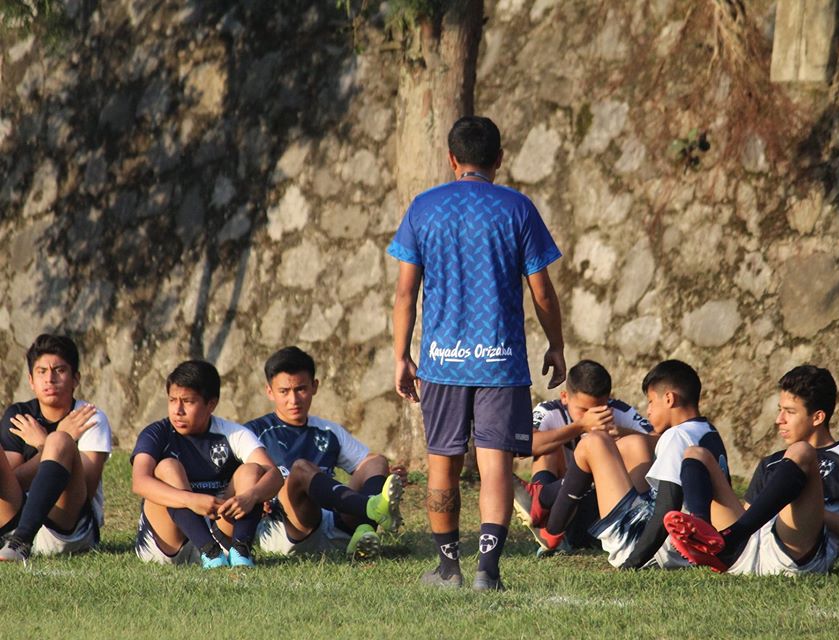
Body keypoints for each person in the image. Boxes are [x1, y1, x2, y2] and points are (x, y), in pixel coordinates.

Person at [389, 115, 566, 590]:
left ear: (452, 158)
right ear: (499, 158)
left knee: (443, 463)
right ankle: (488, 569)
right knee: (495, 464)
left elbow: (406, 293)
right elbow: (542, 292)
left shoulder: (424, 208)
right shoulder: (517, 208)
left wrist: (402, 356)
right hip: (501, 361)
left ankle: (449, 568)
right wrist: (556, 345)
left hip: (441, 363)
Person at [665, 365, 839, 575]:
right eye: (780, 410)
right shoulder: (771, 462)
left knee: (802, 452)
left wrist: (815, 513)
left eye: (789, 412)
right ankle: (702, 532)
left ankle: (729, 540)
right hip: (749, 548)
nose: (779, 420)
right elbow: (749, 515)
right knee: (696, 453)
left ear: (818, 417)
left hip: (797, 552)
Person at [537, 359, 727, 569]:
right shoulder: (708, 431)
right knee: (634, 443)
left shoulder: (677, 436)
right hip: (680, 544)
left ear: (669, 399)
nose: (648, 411)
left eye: (651, 402)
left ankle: (551, 531)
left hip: (653, 547)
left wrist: (633, 562)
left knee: (593, 443)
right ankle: (545, 507)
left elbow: (666, 507)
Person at [245, 346, 404, 561]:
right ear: (270, 392)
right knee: (301, 469)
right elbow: (236, 481)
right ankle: (371, 509)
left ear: (314, 386)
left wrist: (385, 477)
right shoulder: (252, 432)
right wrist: (256, 496)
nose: (294, 399)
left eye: (301, 389)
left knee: (376, 461)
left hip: (335, 525)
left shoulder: (329, 431)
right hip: (290, 528)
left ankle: (364, 531)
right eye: (284, 391)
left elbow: (366, 466)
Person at [130, 360, 282, 568]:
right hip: (169, 543)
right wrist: (190, 500)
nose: (178, 410)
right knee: (168, 467)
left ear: (211, 404)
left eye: (188, 401)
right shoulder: (157, 433)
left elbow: (275, 476)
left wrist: (251, 497)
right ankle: (209, 552)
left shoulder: (233, 433)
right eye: (173, 400)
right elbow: (139, 482)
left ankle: (240, 550)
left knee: (253, 471)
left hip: (219, 533)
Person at [512, 359, 653, 554]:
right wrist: (579, 427)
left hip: (599, 508)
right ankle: (546, 516)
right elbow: (523, 446)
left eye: (599, 409)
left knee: (633, 445)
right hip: (561, 508)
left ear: (608, 400)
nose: (592, 416)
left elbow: (659, 441)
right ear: (564, 397)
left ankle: (540, 500)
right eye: (584, 410)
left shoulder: (619, 412)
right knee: (549, 448)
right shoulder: (550, 412)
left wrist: (622, 434)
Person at [0, 334, 112, 563]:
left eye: (59, 370)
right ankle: (17, 539)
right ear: (31, 380)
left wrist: (53, 441)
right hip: (17, 518)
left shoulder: (89, 416)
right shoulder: (19, 415)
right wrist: (44, 449)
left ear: (76, 379)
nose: (49, 379)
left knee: (60, 441)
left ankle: (21, 542)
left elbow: (87, 491)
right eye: (41, 372)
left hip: (67, 528)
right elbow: (11, 483)